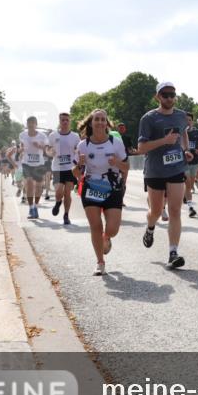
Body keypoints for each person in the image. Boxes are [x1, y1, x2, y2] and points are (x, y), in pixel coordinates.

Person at [137, 81, 192, 269]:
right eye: (165, 94)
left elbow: (183, 133)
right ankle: (150, 227)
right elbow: (141, 147)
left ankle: (173, 252)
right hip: (155, 170)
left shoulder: (181, 116)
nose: (169, 98)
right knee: (156, 211)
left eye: (172, 94)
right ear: (157, 97)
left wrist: (185, 149)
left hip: (176, 168)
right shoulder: (148, 118)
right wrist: (164, 141)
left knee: (175, 210)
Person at [74, 109, 128, 276]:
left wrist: (117, 162)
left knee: (113, 229)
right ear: (91, 123)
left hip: (112, 186)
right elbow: (76, 173)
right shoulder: (83, 145)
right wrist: (79, 165)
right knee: (95, 226)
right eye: (96, 119)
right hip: (91, 186)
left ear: (107, 123)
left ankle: (106, 237)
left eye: (102, 119)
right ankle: (100, 262)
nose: (99, 122)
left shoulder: (115, 142)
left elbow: (127, 167)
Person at [48, 113, 81, 225]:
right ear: (59, 121)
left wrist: (77, 163)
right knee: (58, 191)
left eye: (67, 120)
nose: (65, 122)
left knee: (67, 193)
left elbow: (79, 150)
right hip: (57, 167)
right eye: (63, 120)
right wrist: (50, 152)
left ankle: (66, 215)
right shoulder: (53, 135)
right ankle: (58, 202)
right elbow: (47, 149)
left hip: (70, 168)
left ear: (70, 121)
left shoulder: (75, 136)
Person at [18, 117, 49, 219]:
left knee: (39, 187)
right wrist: (21, 149)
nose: (31, 125)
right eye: (29, 123)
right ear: (27, 124)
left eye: (33, 123)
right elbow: (21, 147)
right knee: (30, 184)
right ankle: (31, 208)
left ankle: (35, 206)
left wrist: (39, 146)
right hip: (27, 163)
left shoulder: (42, 136)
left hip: (39, 164)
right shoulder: (22, 135)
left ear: (36, 124)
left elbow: (46, 149)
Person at [183, 112, 198, 217]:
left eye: (189, 120)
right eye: (185, 120)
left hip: (195, 161)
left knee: (190, 185)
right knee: (187, 184)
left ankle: (185, 196)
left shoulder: (197, 132)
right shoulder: (180, 132)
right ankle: (190, 208)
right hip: (183, 161)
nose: (187, 122)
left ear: (192, 121)